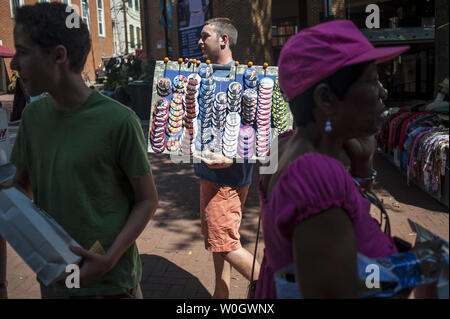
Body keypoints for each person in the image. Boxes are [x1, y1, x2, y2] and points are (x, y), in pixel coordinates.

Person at [254, 20, 444, 299]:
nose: (383, 92)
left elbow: (338, 232)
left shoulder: (283, 145)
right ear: (326, 98)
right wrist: (419, 264)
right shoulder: (315, 173)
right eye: (371, 80)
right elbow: (338, 288)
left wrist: (362, 166)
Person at [0, 2, 158, 299]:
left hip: (113, 285)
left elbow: (147, 199)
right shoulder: (33, 118)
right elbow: (20, 188)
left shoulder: (119, 121)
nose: (14, 64)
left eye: (22, 51)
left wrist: (110, 257)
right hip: (57, 278)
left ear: (58, 56)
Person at [195, 17, 260, 299]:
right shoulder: (202, 74)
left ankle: (276, 287)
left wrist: (232, 157)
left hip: (227, 179)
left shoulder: (247, 78)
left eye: (205, 36)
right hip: (212, 175)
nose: (200, 41)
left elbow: (261, 128)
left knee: (223, 242)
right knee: (220, 240)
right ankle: (221, 297)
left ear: (223, 40)